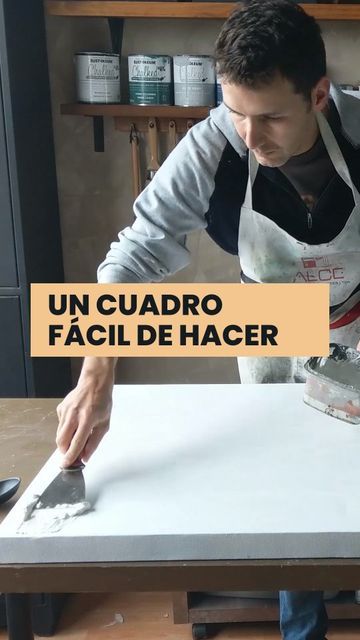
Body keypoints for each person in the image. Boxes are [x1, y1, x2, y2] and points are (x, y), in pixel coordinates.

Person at [56, 1, 360, 638]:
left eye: (272, 116)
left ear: (320, 94)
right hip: (269, 323)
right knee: (287, 488)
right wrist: (95, 373)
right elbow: (137, 249)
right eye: (236, 113)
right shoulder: (215, 146)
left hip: (358, 317)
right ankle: (301, 628)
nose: (250, 136)